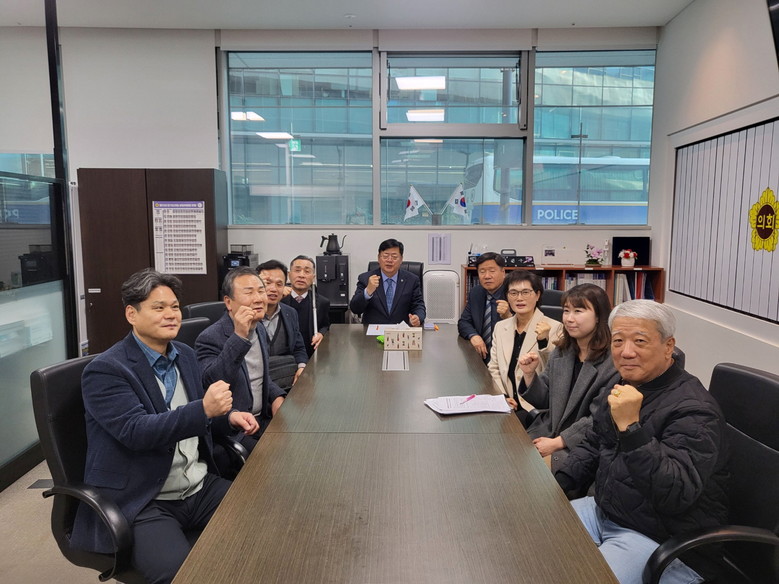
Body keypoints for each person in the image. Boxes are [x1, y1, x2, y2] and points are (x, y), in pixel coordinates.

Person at [72, 268, 259, 584]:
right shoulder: (106, 370)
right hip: (145, 498)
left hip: (198, 485)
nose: (171, 314)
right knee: (179, 574)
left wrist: (226, 417)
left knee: (268, 526)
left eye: (174, 307)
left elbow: (193, 415)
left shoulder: (184, 354)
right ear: (131, 314)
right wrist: (204, 409)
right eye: (158, 307)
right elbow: (136, 431)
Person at [556, 300, 729, 584]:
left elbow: (674, 495)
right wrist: (557, 484)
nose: (626, 352)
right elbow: (594, 442)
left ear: (668, 346)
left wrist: (631, 428)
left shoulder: (695, 410)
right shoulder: (625, 384)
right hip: (606, 511)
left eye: (639, 341)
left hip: (662, 537)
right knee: (529, 535)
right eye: (618, 341)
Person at [516, 283, 619, 471]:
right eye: (566, 311)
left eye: (578, 311)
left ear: (599, 316)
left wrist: (558, 442)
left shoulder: (613, 362)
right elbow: (544, 400)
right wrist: (530, 374)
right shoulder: (562, 351)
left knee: (528, 473)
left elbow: (600, 418)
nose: (569, 319)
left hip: (582, 445)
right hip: (547, 431)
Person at [196, 266, 286, 451]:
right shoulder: (210, 338)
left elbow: (259, 376)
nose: (258, 298)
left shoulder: (259, 329)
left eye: (261, 291)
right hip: (235, 430)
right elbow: (211, 383)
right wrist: (239, 337)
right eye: (249, 292)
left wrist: (277, 396)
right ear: (229, 302)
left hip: (263, 420)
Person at [489, 270, 563, 414]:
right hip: (506, 404)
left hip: (534, 409)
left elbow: (555, 373)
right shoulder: (500, 327)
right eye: (513, 293)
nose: (519, 298)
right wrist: (502, 397)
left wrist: (543, 342)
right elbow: (494, 368)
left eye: (526, 292)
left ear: (537, 295)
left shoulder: (556, 328)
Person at [256, 259, 309, 390]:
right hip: (257, 386)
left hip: (287, 383)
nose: (273, 289)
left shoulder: (290, 313)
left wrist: (302, 367)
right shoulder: (246, 316)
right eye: (267, 283)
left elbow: (299, 348)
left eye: (279, 284)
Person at [349, 238, 426, 326]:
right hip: (372, 332)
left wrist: (417, 317)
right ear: (379, 258)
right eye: (385, 256)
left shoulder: (412, 280)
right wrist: (367, 291)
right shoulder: (366, 278)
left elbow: (418, 305)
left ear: (401, 259)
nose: (389, 260)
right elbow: (355, 309)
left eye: (394, 257)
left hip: (400, 331)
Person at [458, 252, 511, 363]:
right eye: (482, 272)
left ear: (503, 272)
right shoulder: (476, 293)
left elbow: (524, 330)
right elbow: (464, 322)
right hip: (480, 357)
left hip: (506, 358)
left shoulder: (514, 294)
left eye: (492, 271)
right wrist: (473, 336)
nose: (487, 276)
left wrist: (508, 316)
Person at [280, 254, 330, 358]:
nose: (301, 275)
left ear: (313, 278)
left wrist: (321, 334)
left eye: (307, 271)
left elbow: (325, 326)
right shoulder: (279, 300)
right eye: (297, 270)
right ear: (289, 275)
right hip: (285, 357)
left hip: (311, 354)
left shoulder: (321, 302)